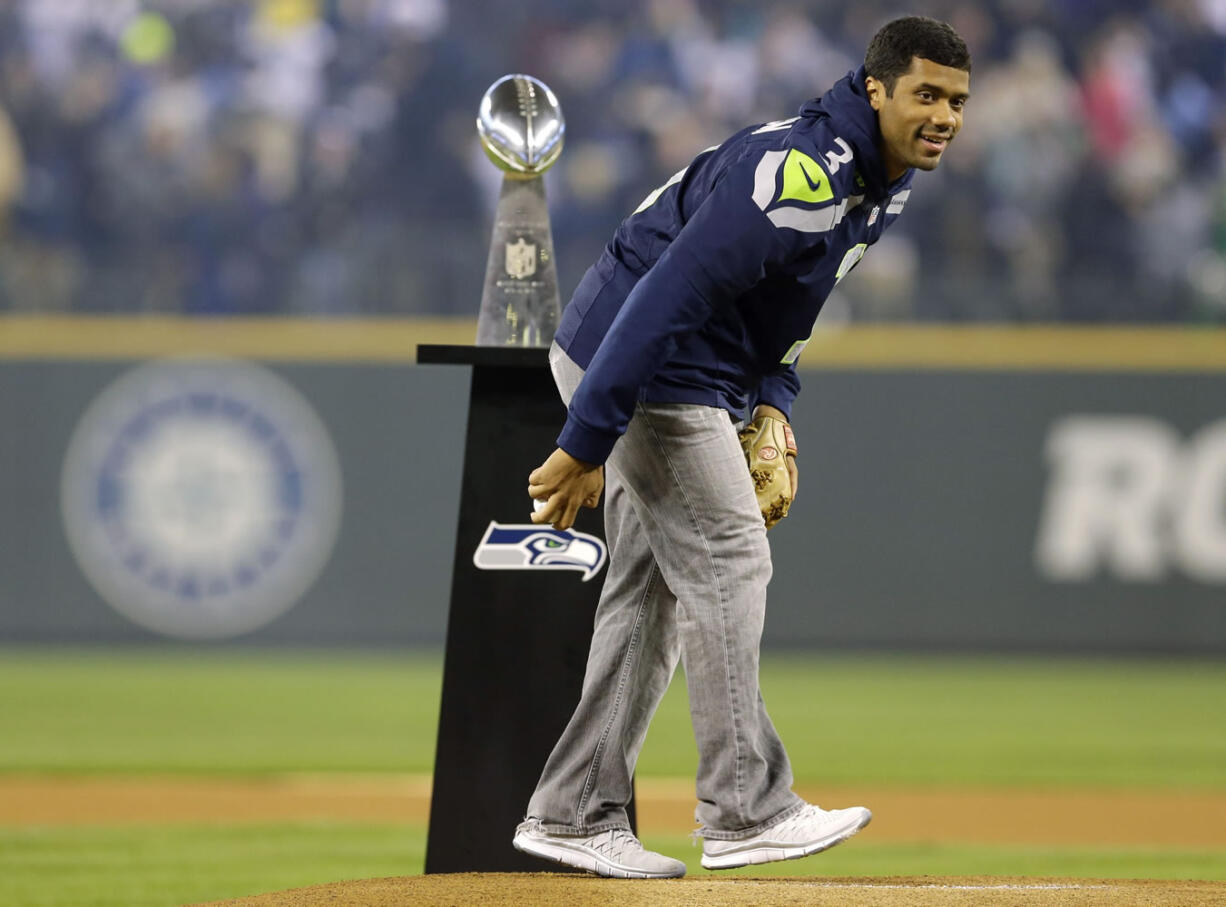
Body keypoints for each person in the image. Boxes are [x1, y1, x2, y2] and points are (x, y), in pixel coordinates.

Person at [514, 15, 971, 878]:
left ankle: (573, 811)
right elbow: (666, 293)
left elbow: (787, 311)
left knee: (649, 598)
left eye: (956, 100)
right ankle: (745, 808)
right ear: (876, 90)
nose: (944, 115)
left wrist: (771, 399)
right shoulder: (804, 172)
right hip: (649, 364)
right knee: (729, 558)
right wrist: (586, 439)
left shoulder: (879, 175)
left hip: (671, 365)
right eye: (926, 95)